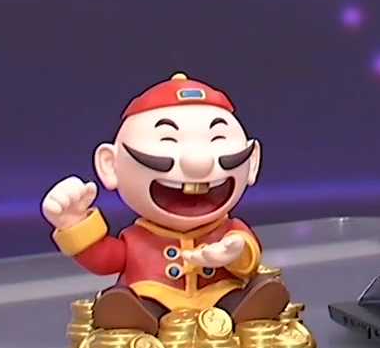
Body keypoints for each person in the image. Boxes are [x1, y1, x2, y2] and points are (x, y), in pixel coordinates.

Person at [40, 73, 291, 333]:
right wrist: (74, 224)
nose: (198, 163)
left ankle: (249, 308)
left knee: (243, 293)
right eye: (167, 140)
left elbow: (248, 250)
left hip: (219, 294)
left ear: (252, 162)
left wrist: (234, 252)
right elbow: (105, 260)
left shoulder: (229, 229)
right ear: (110, 165)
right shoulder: (137, 238)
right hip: (153, 296)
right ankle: (132, 316)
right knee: (129, 303)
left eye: (217, 139)